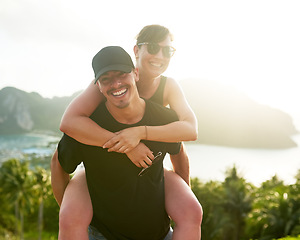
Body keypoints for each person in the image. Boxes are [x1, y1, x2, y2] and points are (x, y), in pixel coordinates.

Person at [56, 25, 202, 239]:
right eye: (152, 47)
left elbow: (187, 132)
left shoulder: (167, 86)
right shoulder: (111, 79)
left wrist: (140, 133)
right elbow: (69, 123)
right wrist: (127, 145)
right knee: (70, 216)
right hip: (104, 161)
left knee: (191, 210)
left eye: (167, 51)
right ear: (136, 51)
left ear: (133, 75)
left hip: (149, 166)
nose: (160, 56)